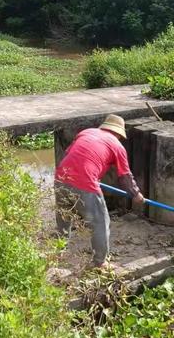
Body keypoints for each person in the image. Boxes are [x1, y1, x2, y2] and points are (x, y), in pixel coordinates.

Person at [54, 114, 145, 269]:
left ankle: (58, 252)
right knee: (100, 223)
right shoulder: (117, 146)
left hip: (60, 177)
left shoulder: (86, 132)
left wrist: (92, 175)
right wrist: (136, 194)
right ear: (118, 133)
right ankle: (100, 262)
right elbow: (125, 177)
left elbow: (73, 155)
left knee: (64, 217)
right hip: (85, 183)